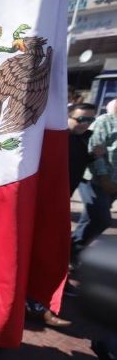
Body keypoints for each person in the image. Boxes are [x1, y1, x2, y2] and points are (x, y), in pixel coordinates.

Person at [71, 99, 117, 264]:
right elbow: (95, 149)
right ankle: (72, 251)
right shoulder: (105, 121)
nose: (86, 123)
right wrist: (104, 178)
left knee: (91, 220)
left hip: (114, 182)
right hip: (98, 180)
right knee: (101, 219)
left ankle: (72, 253)